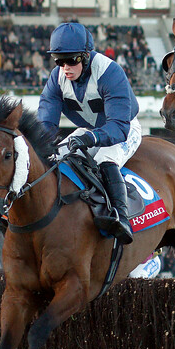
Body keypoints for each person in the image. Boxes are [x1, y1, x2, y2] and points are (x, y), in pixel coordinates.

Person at [38, 21, 139, 245]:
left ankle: (121, 219)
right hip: (90, 130)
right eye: (59, 61)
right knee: (55, 157)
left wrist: (91, 138)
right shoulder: (56, 79)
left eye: (72, 60)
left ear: (85, 56)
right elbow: (45, 125)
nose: (65, 67)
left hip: (125, 128)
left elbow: (119, 126)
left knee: (105, 158)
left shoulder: (110, 72)